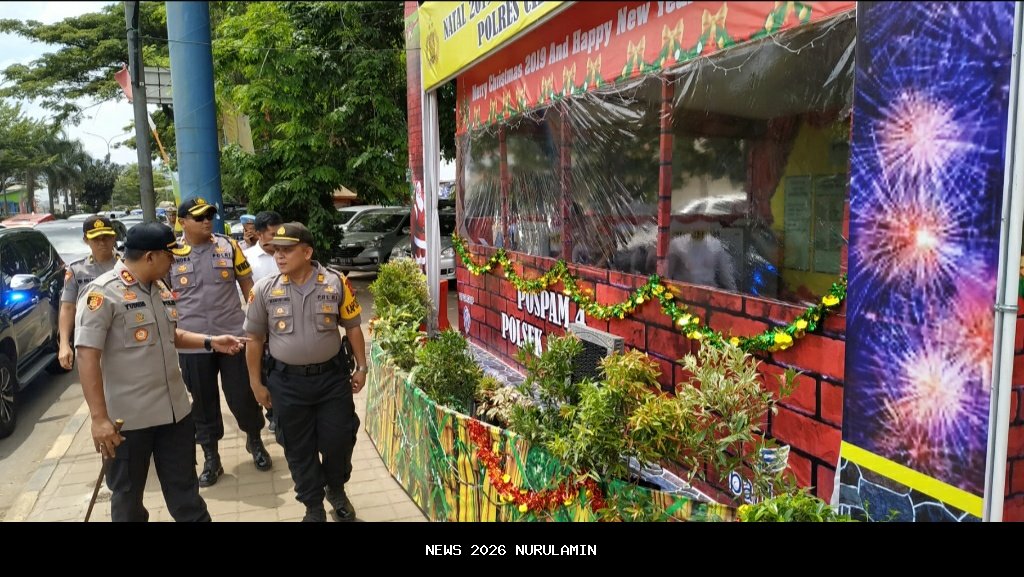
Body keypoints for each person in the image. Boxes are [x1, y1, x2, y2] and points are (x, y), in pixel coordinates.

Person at [75, 222, 249, 522]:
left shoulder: (160, 288)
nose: (176, 261)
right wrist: (98, 419)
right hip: (128, 422)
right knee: (128, 502)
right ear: (151, 257)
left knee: (187, 497)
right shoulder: (103, 294)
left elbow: (170, 335)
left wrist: (210, 341)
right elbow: (87, 355)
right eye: (171, 256)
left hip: (176, 415)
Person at [244, 222, 367, 522]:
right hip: (286, 383)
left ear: (307, 251)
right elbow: (254, 340)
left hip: (331, 380)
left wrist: (362, 367)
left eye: (287, 250)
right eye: (276, 250)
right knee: (298, 448)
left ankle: (335, 489)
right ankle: (313, 506)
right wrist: (256, 383)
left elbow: (352, 328)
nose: (279, 256)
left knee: (339, 439)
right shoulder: (264, 290)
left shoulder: (336, 282)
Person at [171, 197, 270, 487]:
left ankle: (255, 440)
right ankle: (211, 457)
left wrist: (256, 325)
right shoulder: (172, 253)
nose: (206, 221)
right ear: (182, 222)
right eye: (199, 217)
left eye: (209, 216)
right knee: (202, 401)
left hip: (234, 337)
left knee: (242, 395)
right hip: (193, 342)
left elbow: (248, 287)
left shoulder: (229, 246)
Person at [58, 216, 120, 370]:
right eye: (96, 238)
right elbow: (68, 307)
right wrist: (64, 344)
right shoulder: (77, 270)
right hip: (90, 340)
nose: (102, 242)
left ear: (114, 237)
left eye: (106, 237)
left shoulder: (126, 265)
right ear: (86, 240)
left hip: (122, 337)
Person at [242, 211, 284, 433]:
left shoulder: (288, 253)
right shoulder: (246, 260)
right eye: (272, 233)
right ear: (258, 234)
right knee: (266, 372)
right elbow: (242, 297)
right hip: (260, 330)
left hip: (287, 328)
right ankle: (272, 414)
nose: (278, 237)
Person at [666, 223, 738, 290]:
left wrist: (735, 296)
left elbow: (726, 276)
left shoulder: (715, 245)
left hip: (709, 295)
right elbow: (667, 275)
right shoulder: (677, 244)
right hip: (683, 295)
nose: (699, 227)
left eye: (702, 222)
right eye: (696, 222)